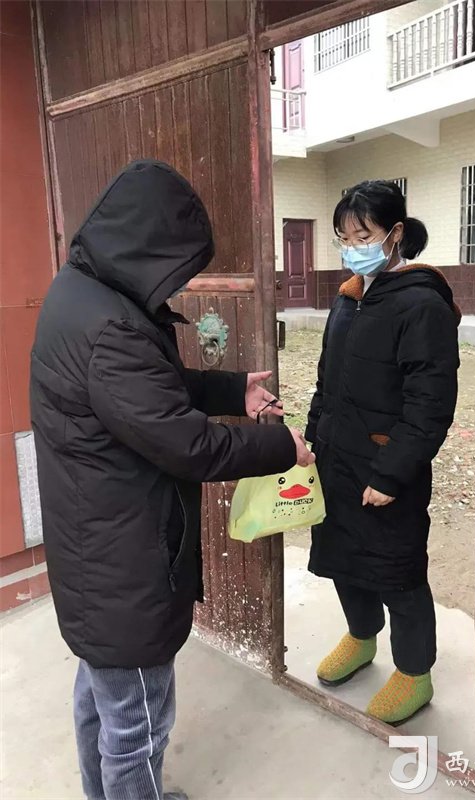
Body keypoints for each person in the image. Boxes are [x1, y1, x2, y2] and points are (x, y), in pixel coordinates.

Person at [30, 160, 314, 800]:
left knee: (100, 699)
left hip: (94, 550)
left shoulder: (82, 295)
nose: (178, 282)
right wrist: (281, 445)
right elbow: (188, 445)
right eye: (178, 265)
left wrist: (232, 389)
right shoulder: (111, 328)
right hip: (123, 562)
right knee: (137, 725)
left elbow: (147, 393)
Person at [305, 180, 460, 725]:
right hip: (337, 458)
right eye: (343, 238)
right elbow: (326, 379)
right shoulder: (348, 298)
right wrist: (312, 441)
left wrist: (392, 475)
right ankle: (361, 636)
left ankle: (415, 673)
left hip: (387, 467)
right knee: (344, 559)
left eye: (363, 236)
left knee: (398, 572)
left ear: (394, 234)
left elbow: (430, 405)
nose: (352, 248)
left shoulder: (422, 304)